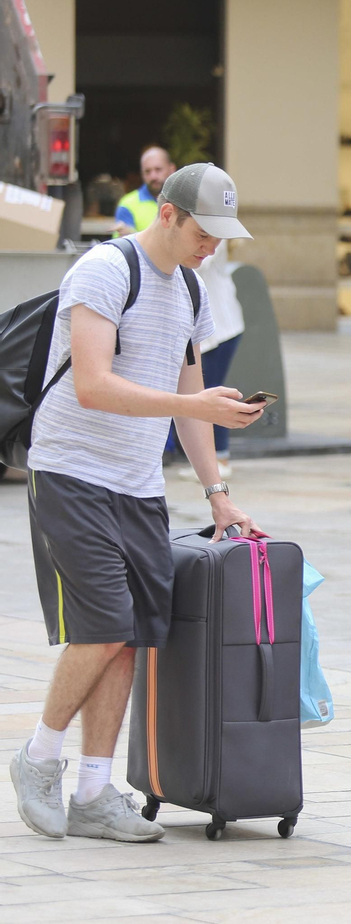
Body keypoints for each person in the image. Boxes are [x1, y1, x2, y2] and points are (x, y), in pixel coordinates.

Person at [10, 162, 264, 843]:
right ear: (170, 213)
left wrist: (218, 494)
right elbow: (93, 384)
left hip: (138, 483)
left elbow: (191, 411)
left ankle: (94, 791)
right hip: (71, 472)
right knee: (104, 624)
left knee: (133, 635)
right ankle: (38, 757)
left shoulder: (190, 288)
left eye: (221, 236)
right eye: (203, 232)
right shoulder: (102, 271)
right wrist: (193, 401)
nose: (211, 246)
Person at [169, 240, 246, 480]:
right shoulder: (212, 234)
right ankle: (215, 458)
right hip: (218, 327)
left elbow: (190, 267)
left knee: (211, 394)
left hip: (220, 329)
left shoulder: (212, 238)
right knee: (207, 393)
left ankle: (219, 457)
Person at [112, 146, 177, 236]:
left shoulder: (185, 200)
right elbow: (122, 246)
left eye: (158, 169)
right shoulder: (128, 204)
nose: (153, 176)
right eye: (147, 171)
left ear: (172, 169)